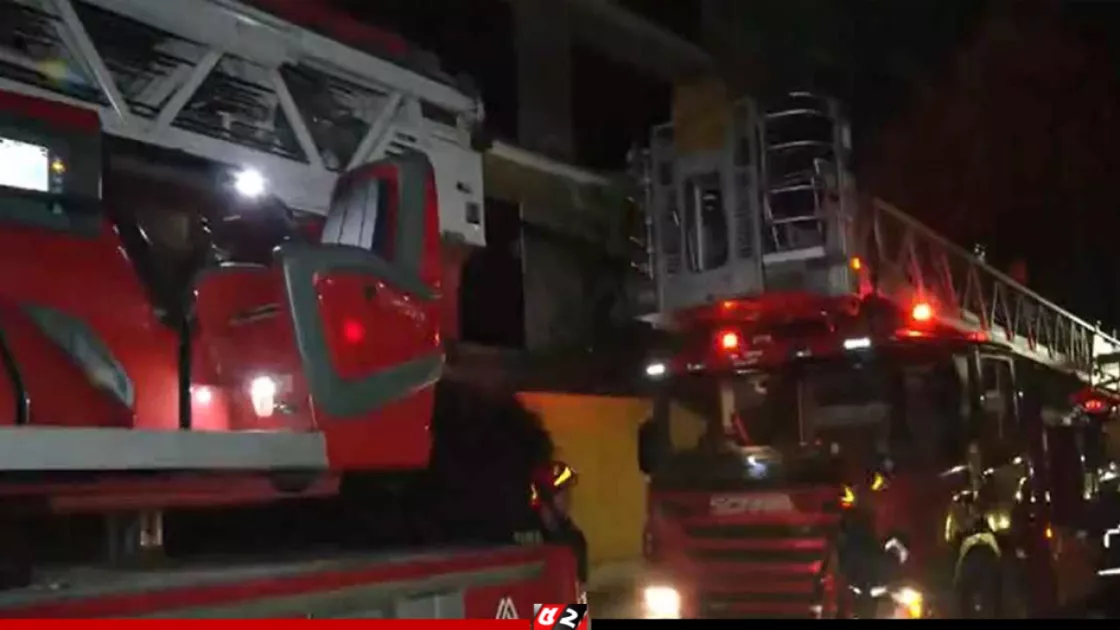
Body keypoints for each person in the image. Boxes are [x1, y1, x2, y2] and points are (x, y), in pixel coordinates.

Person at [529, 461, 589, 591]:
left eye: (568, 491)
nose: (568, 497)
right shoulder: (526, 537)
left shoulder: (574, 539)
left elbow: (578, 592)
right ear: (545, 497)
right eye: (561, 492)